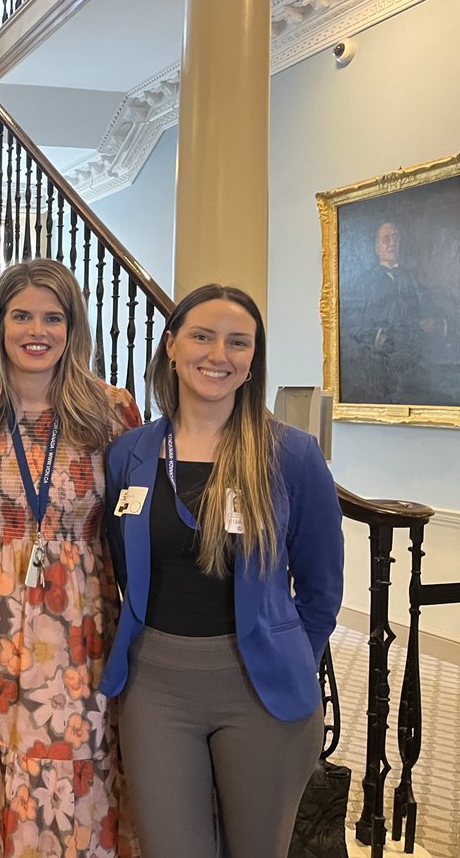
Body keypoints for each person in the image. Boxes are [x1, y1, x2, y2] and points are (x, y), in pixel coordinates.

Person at [101, 284, 345, 857]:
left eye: (239, 342)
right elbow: (121, 562)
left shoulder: (291, 454)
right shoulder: (129, 454)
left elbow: (321, 585)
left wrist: (290, 655)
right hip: (155, 686)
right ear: (171, 347)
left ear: (253, 358)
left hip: (259, 690)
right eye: (203, 336)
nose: (219, 355)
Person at [0, 258, 141, 857]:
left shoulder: (111, 410)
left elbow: (131, 523)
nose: (35, 330)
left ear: (73, 328)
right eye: (21, 315)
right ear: (0, 324)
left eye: (52, 316)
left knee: (76, 750)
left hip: (79, 615)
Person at [344, 220, 451, 405]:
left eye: (395, 238)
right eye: (386, 239)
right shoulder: (363, 282)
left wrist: (440, 324)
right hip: (378, 363)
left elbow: (431, 309)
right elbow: (350, 323)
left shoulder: (412, 280)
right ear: (378, 248)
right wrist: (376, 337)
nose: (392, 243)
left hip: (414, 363)